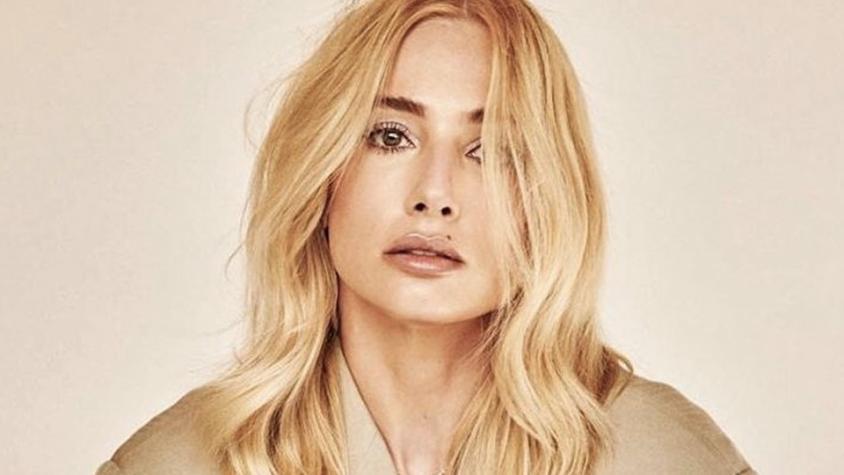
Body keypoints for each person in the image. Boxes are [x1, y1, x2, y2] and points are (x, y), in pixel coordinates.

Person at [95, 0, 755, 474]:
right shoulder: (179, 462)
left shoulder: (659, 454)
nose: (434, 194)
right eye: (391, 136)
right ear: (323, 174)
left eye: (492, 151)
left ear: (547, 202)